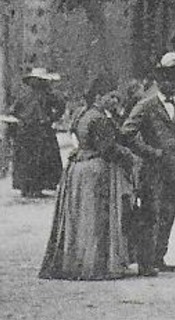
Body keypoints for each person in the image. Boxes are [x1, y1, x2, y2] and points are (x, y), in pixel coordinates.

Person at [40, 88, 137, 280]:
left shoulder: (82, 113)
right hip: (94, 171)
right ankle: (95, 266)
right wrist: (130, 157)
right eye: (110, 96)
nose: (114, 100)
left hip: (76, 170)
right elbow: (107, 148)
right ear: (99, 97)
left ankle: (76, 262)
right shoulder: (100, 119)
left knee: (78, 218)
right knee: (96, 218)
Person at [121, 54, 175, 275]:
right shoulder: (146, 105)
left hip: (173, 170)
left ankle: (159, 257)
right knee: (150, 215)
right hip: (153, 171)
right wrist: (150, 152)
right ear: (161, 83)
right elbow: (126, 133)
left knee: (168, 214)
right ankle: (145, 262)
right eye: (173, 82)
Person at [10, 67, 66, 199]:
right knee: (35, 158)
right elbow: (60, 106)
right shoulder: (43, 95)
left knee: (32, 159)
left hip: (32, 131)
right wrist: (53, 117)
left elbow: (13, 111)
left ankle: (30, 188)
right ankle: (32, 187)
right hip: (37, 131)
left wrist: (52, 118)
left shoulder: (41, 95)